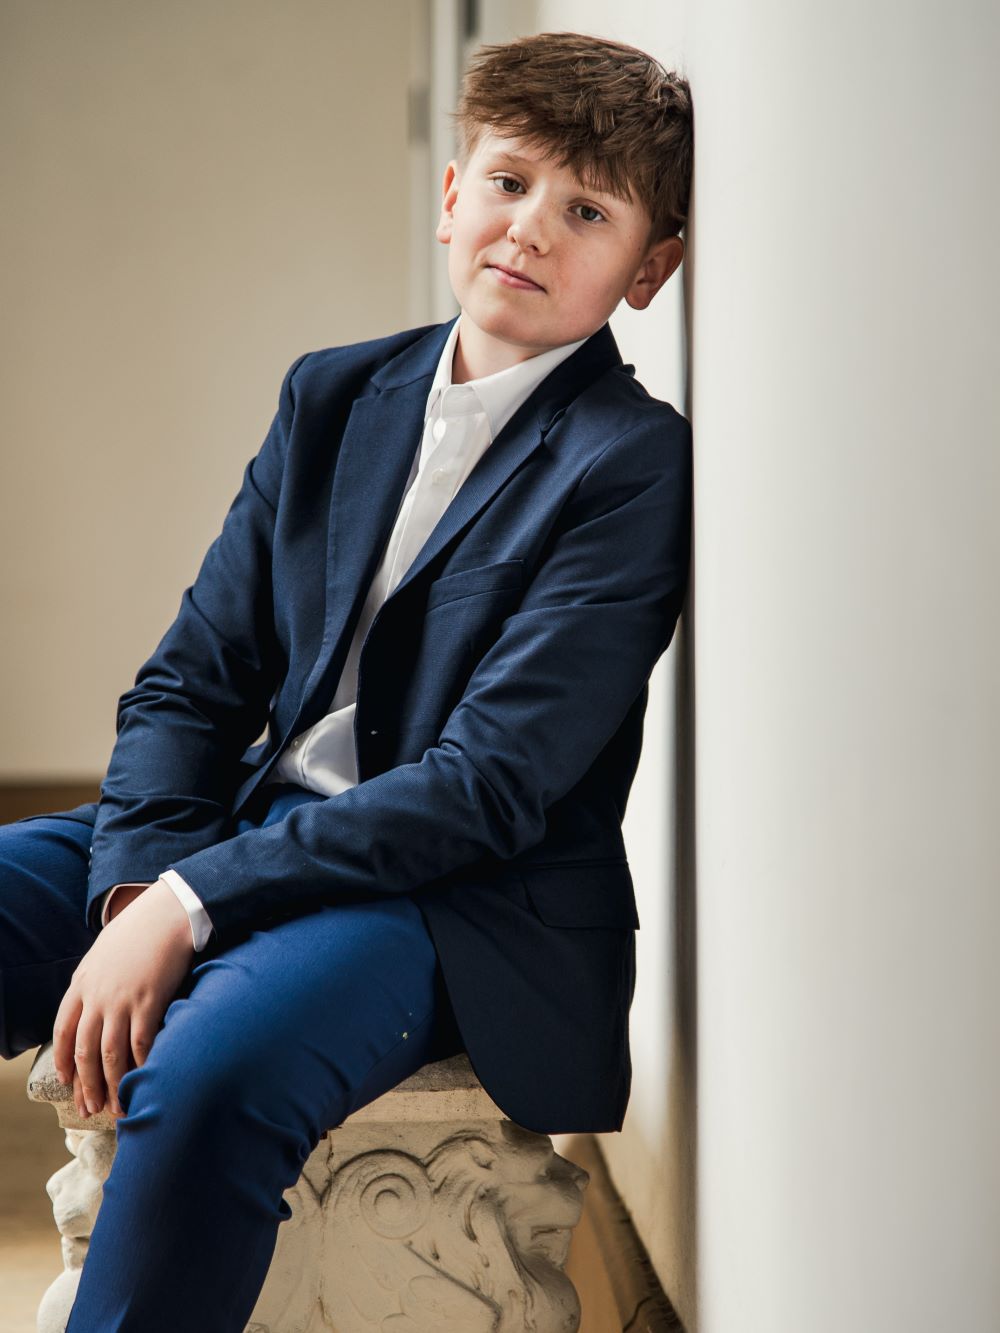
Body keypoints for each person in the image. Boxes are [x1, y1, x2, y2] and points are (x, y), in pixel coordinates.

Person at [0, 30, 693, 1332]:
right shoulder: (333, 395)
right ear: (452, 195)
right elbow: (191, 684)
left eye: (587, 211)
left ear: (649, 268)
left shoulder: (630, 463)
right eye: (509, 183)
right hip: (252, 823)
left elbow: (486, 788)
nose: (530, 228)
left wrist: (196, 901)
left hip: (455, 898)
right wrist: (141, 885)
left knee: (205, 1078)